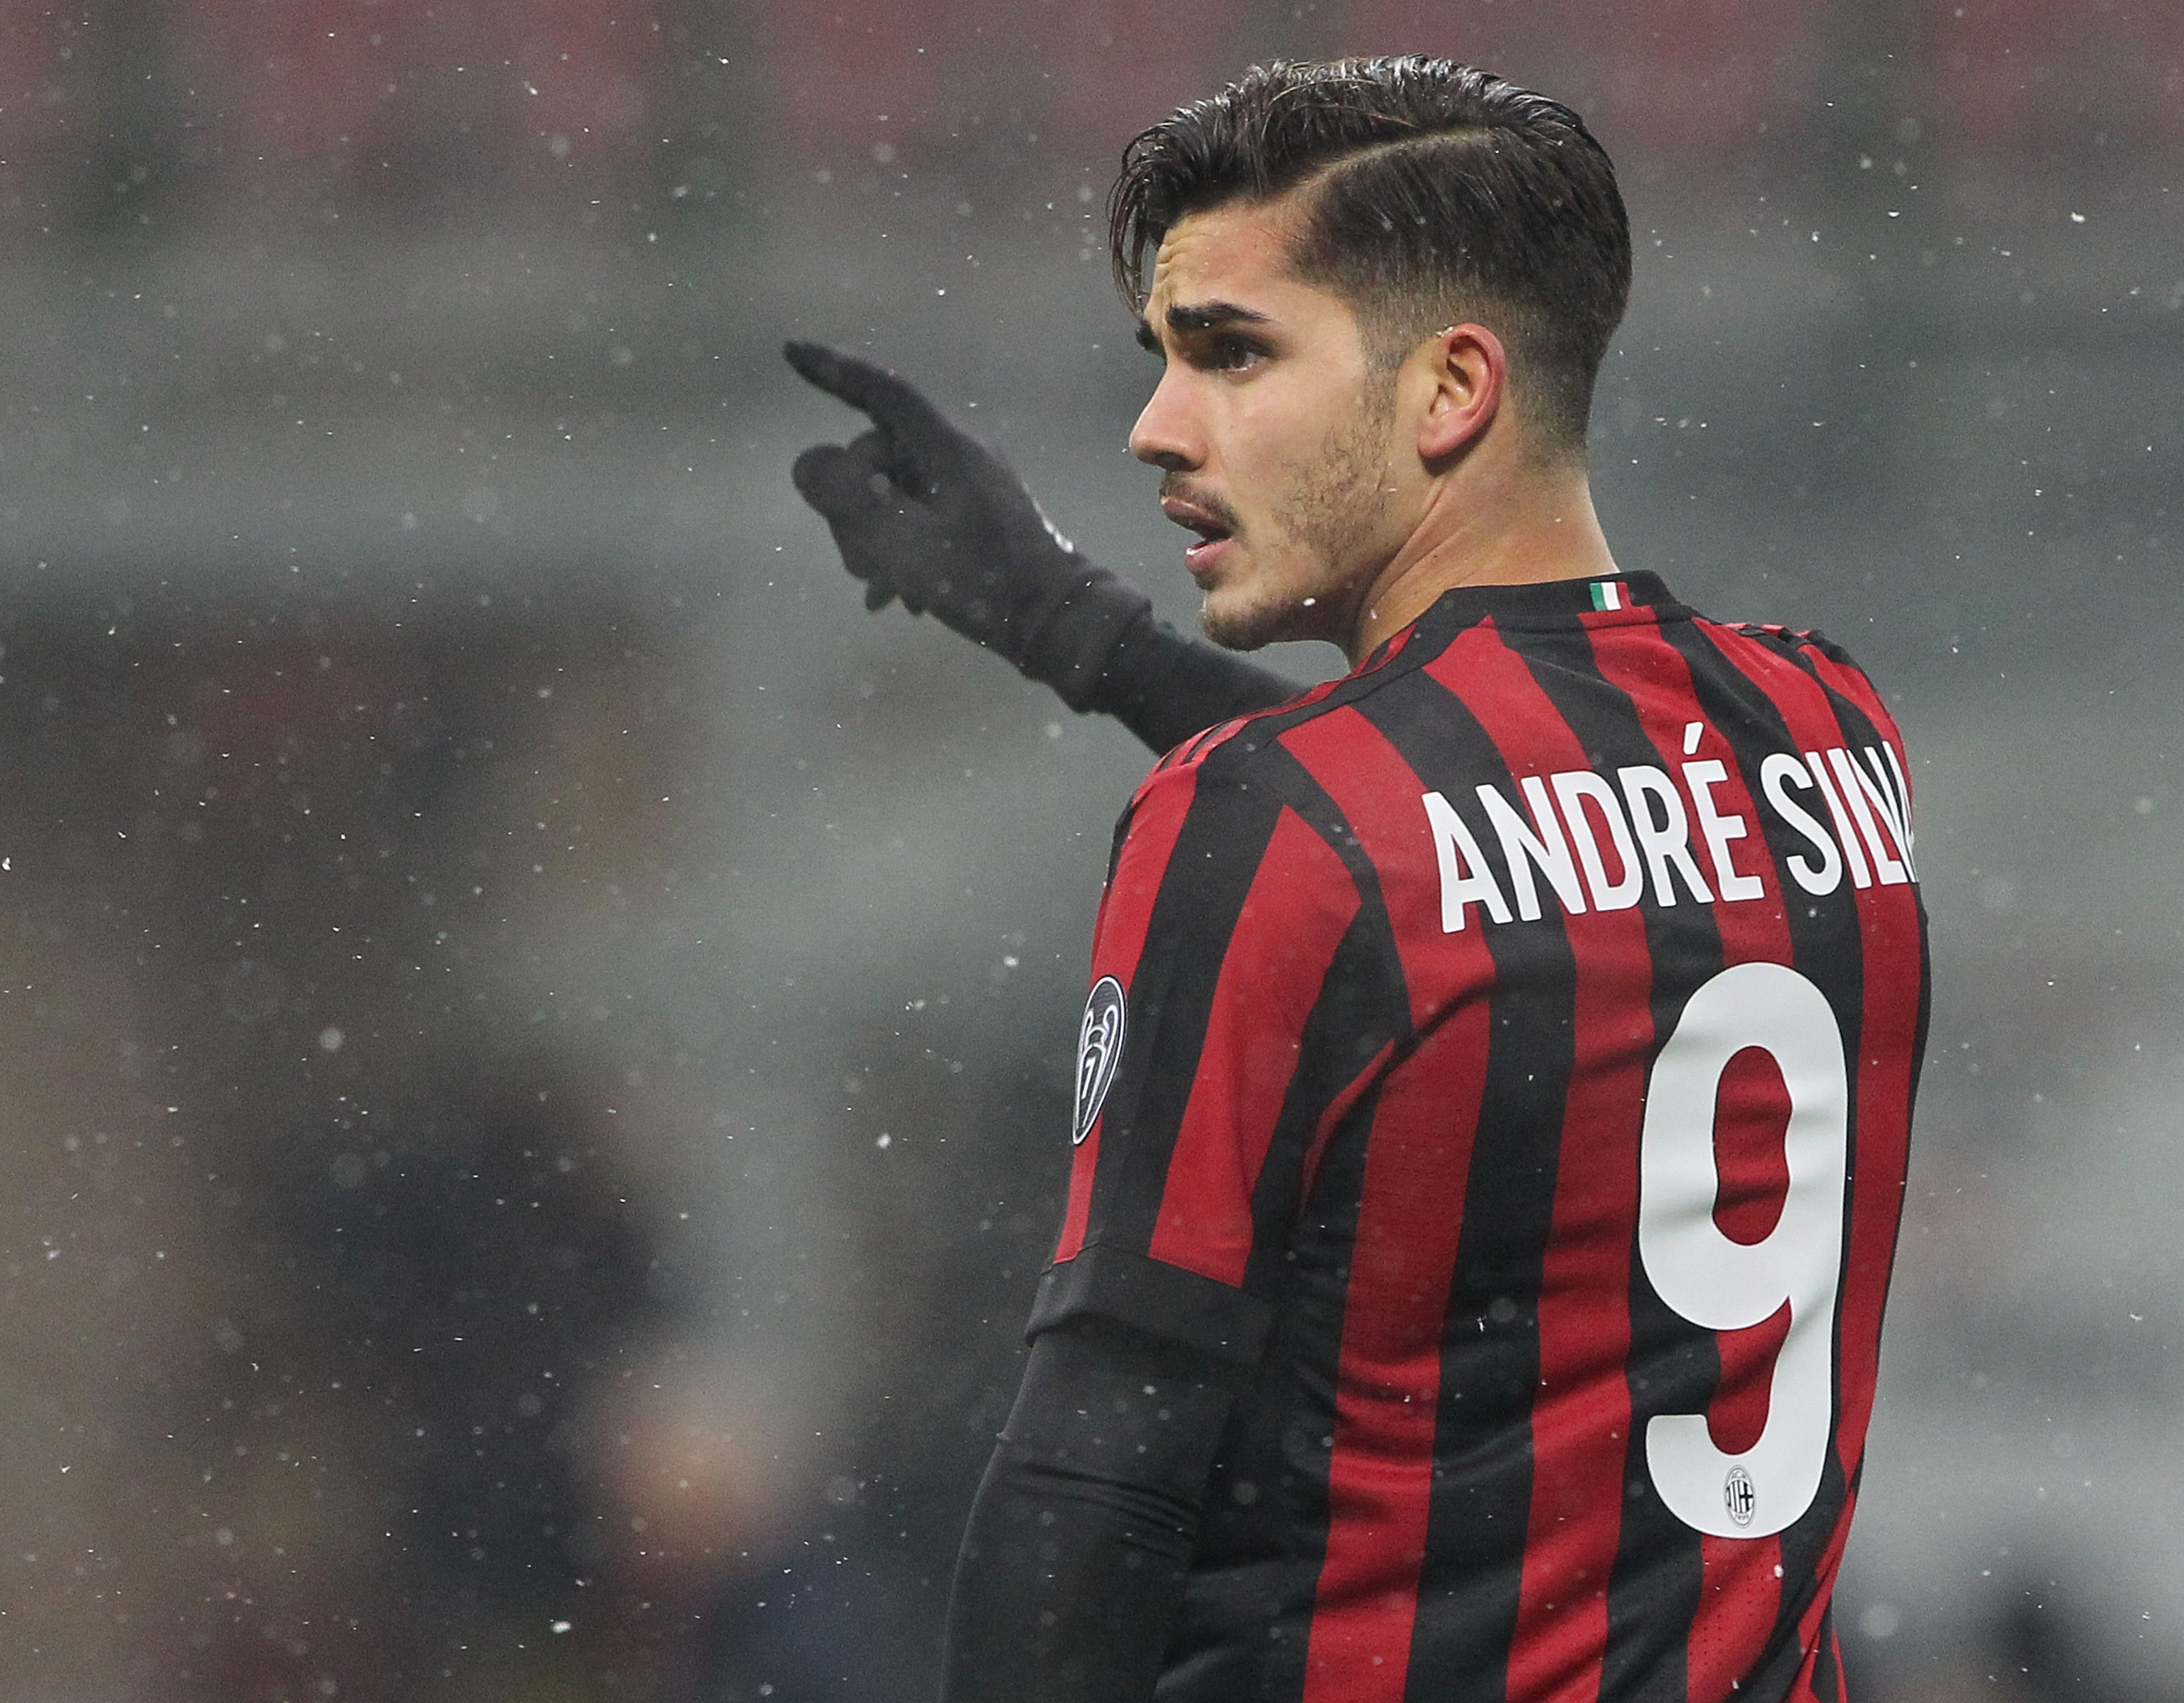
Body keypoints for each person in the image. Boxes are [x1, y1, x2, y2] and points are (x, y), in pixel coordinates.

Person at [786, 56, 1925, 1703]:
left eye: (1232, 354)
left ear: (1449, 389)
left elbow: (1091, 1477)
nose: (1159, 426)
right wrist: (1078, 633)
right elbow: (1476, 852)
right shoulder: (1829, 736)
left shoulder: (1264, 829)